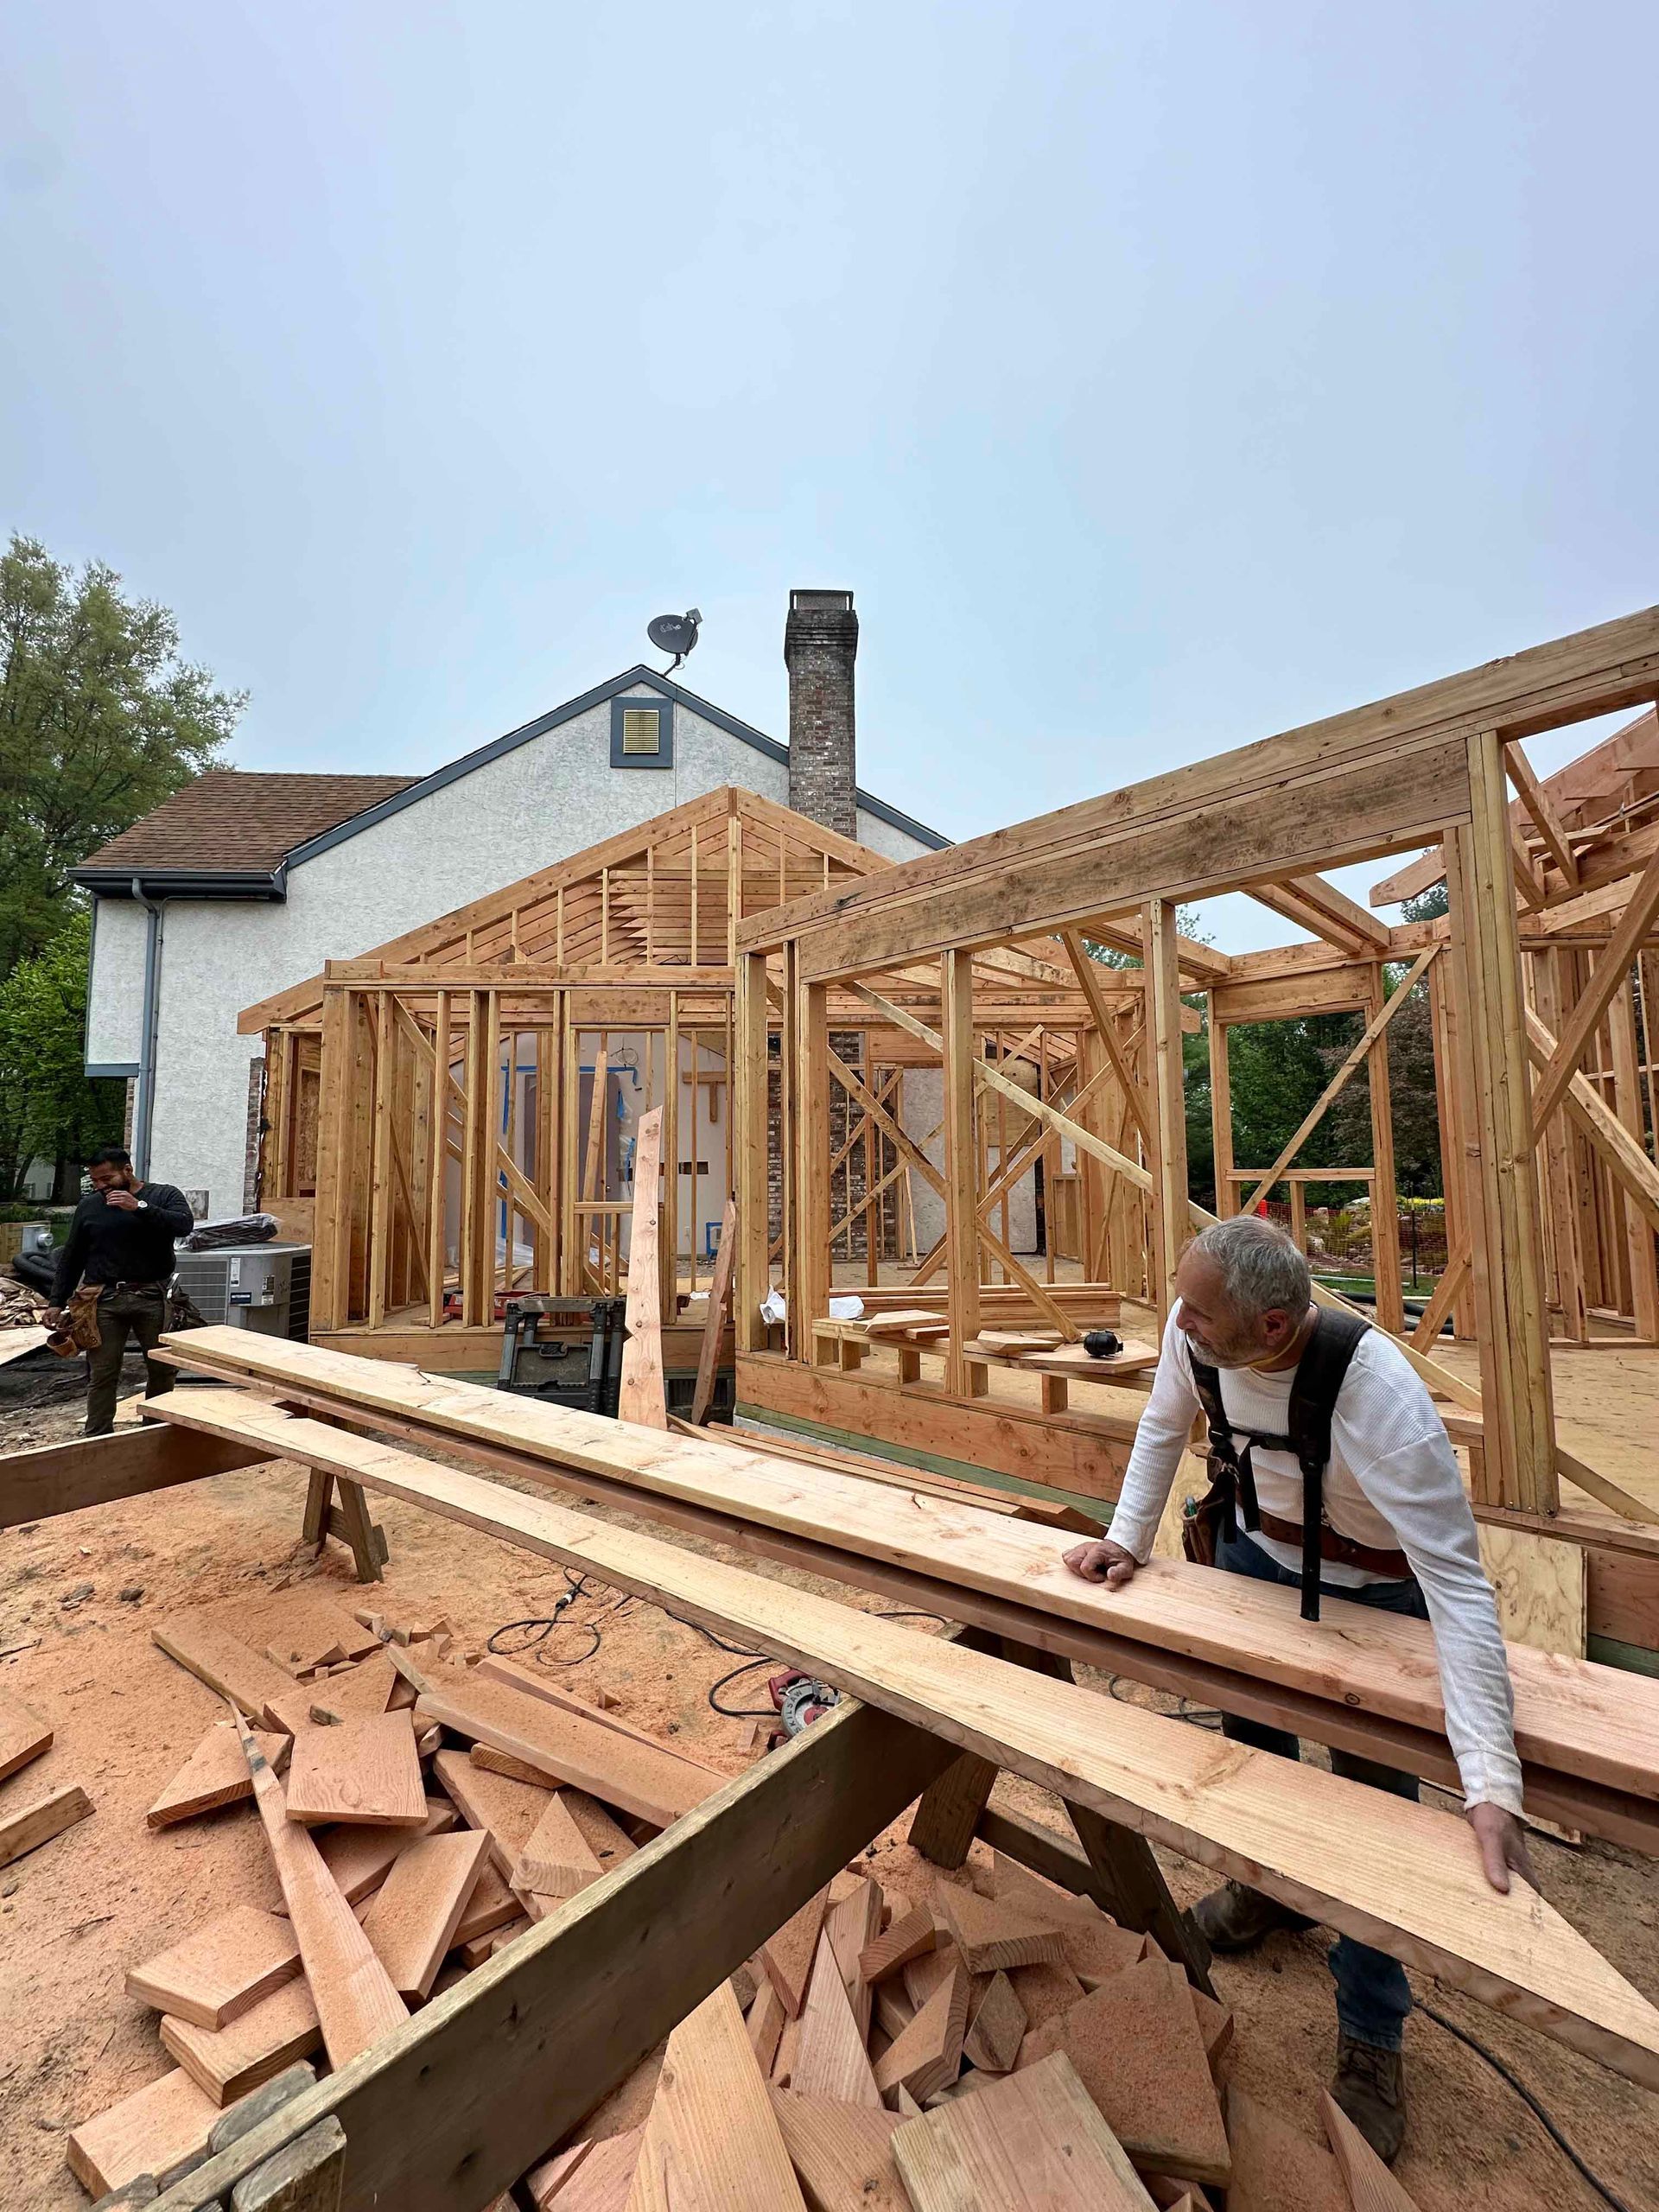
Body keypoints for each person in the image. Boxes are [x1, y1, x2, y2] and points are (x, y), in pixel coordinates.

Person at [1063, 1215, 1529, 2165]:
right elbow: (1162, 1428)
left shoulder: (1379, 1396)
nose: (1177, 1320)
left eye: (1198, 1311)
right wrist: (1126, 1538)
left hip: (1376, 1598)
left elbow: (1458, 1585)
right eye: (1180, 1298)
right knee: (1251, 1751)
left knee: (1368, 1813)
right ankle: (1266, 1891)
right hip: (1251, 1559)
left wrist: (1492, 1780)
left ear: (1274, 1326)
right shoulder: (1198, 1329)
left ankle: (1372, 2031)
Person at [45, 1146, 195, 1437]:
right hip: (103, 1300)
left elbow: (184, 1225)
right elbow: (72, 1257)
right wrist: (56, 1301)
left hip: (153, 1296)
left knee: (162, 1367)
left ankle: (156, 1432)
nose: (101, 1186)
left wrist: (138, 1207)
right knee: (102, 1372)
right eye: (96, 1181)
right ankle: (97, 1436)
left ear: (127, 1170)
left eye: (106, 1178)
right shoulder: (89, 1206)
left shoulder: (162, 1195)